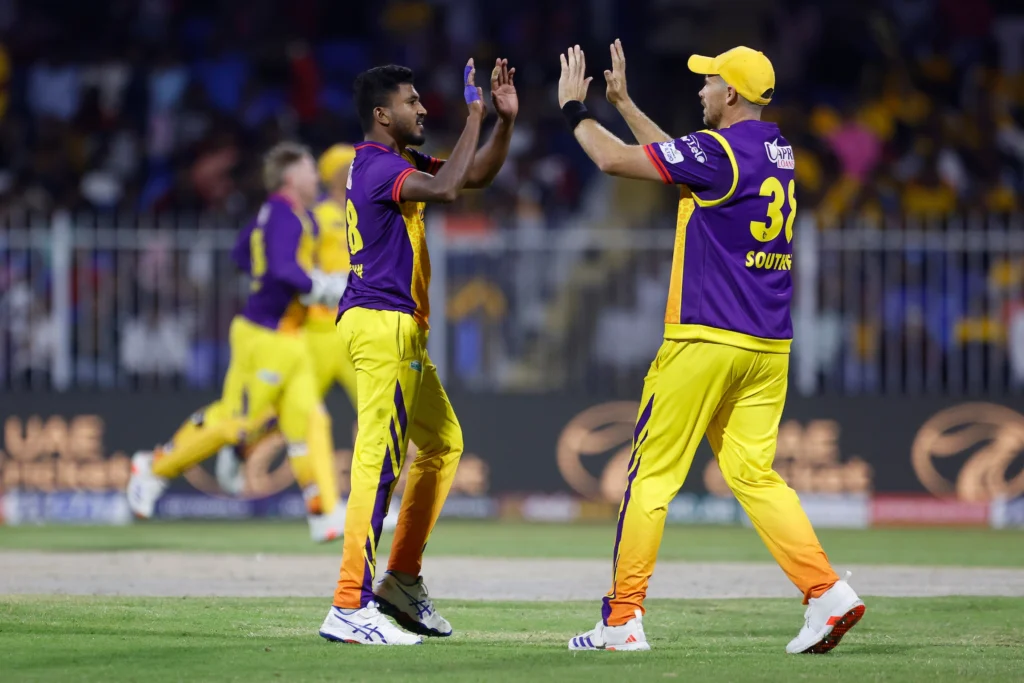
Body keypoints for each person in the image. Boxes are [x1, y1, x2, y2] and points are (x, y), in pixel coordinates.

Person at [557, 41, 865, 654]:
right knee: (754, 475)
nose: (701, 89)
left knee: (650, 478)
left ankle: (621, 621)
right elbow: (690, 161)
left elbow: (617, 162)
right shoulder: (776, 152)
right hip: (767, 347)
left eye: (710, 82)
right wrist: (626, 103)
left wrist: (574, 109)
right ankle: (826, 593)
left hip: (703, 339)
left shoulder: (719, 152)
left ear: (732, 94)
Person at [317, 58, 517, 646]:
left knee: (442, 443)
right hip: (382, 324)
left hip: (395, 327)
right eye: (412, 101)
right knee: (376, 463)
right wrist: (476, 114)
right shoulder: (379, 166)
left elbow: (472, 175)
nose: (423, 108)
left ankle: (400, 580)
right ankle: (349, 605)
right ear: (383, 115)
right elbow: (453, 186)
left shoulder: (394, 161)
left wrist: (502, 124)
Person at [127, 142, 347, 542]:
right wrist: (319, 285)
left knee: (312, 420)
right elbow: (281, 269)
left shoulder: (283, 215)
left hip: (291, 336)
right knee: (238, 419)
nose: (315, 176)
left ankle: (325, 511)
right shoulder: (285, 216)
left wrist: (281, 282)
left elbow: (243, 252)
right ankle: (154, 466)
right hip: (263, 336)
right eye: (309, 169)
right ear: (290, 178)